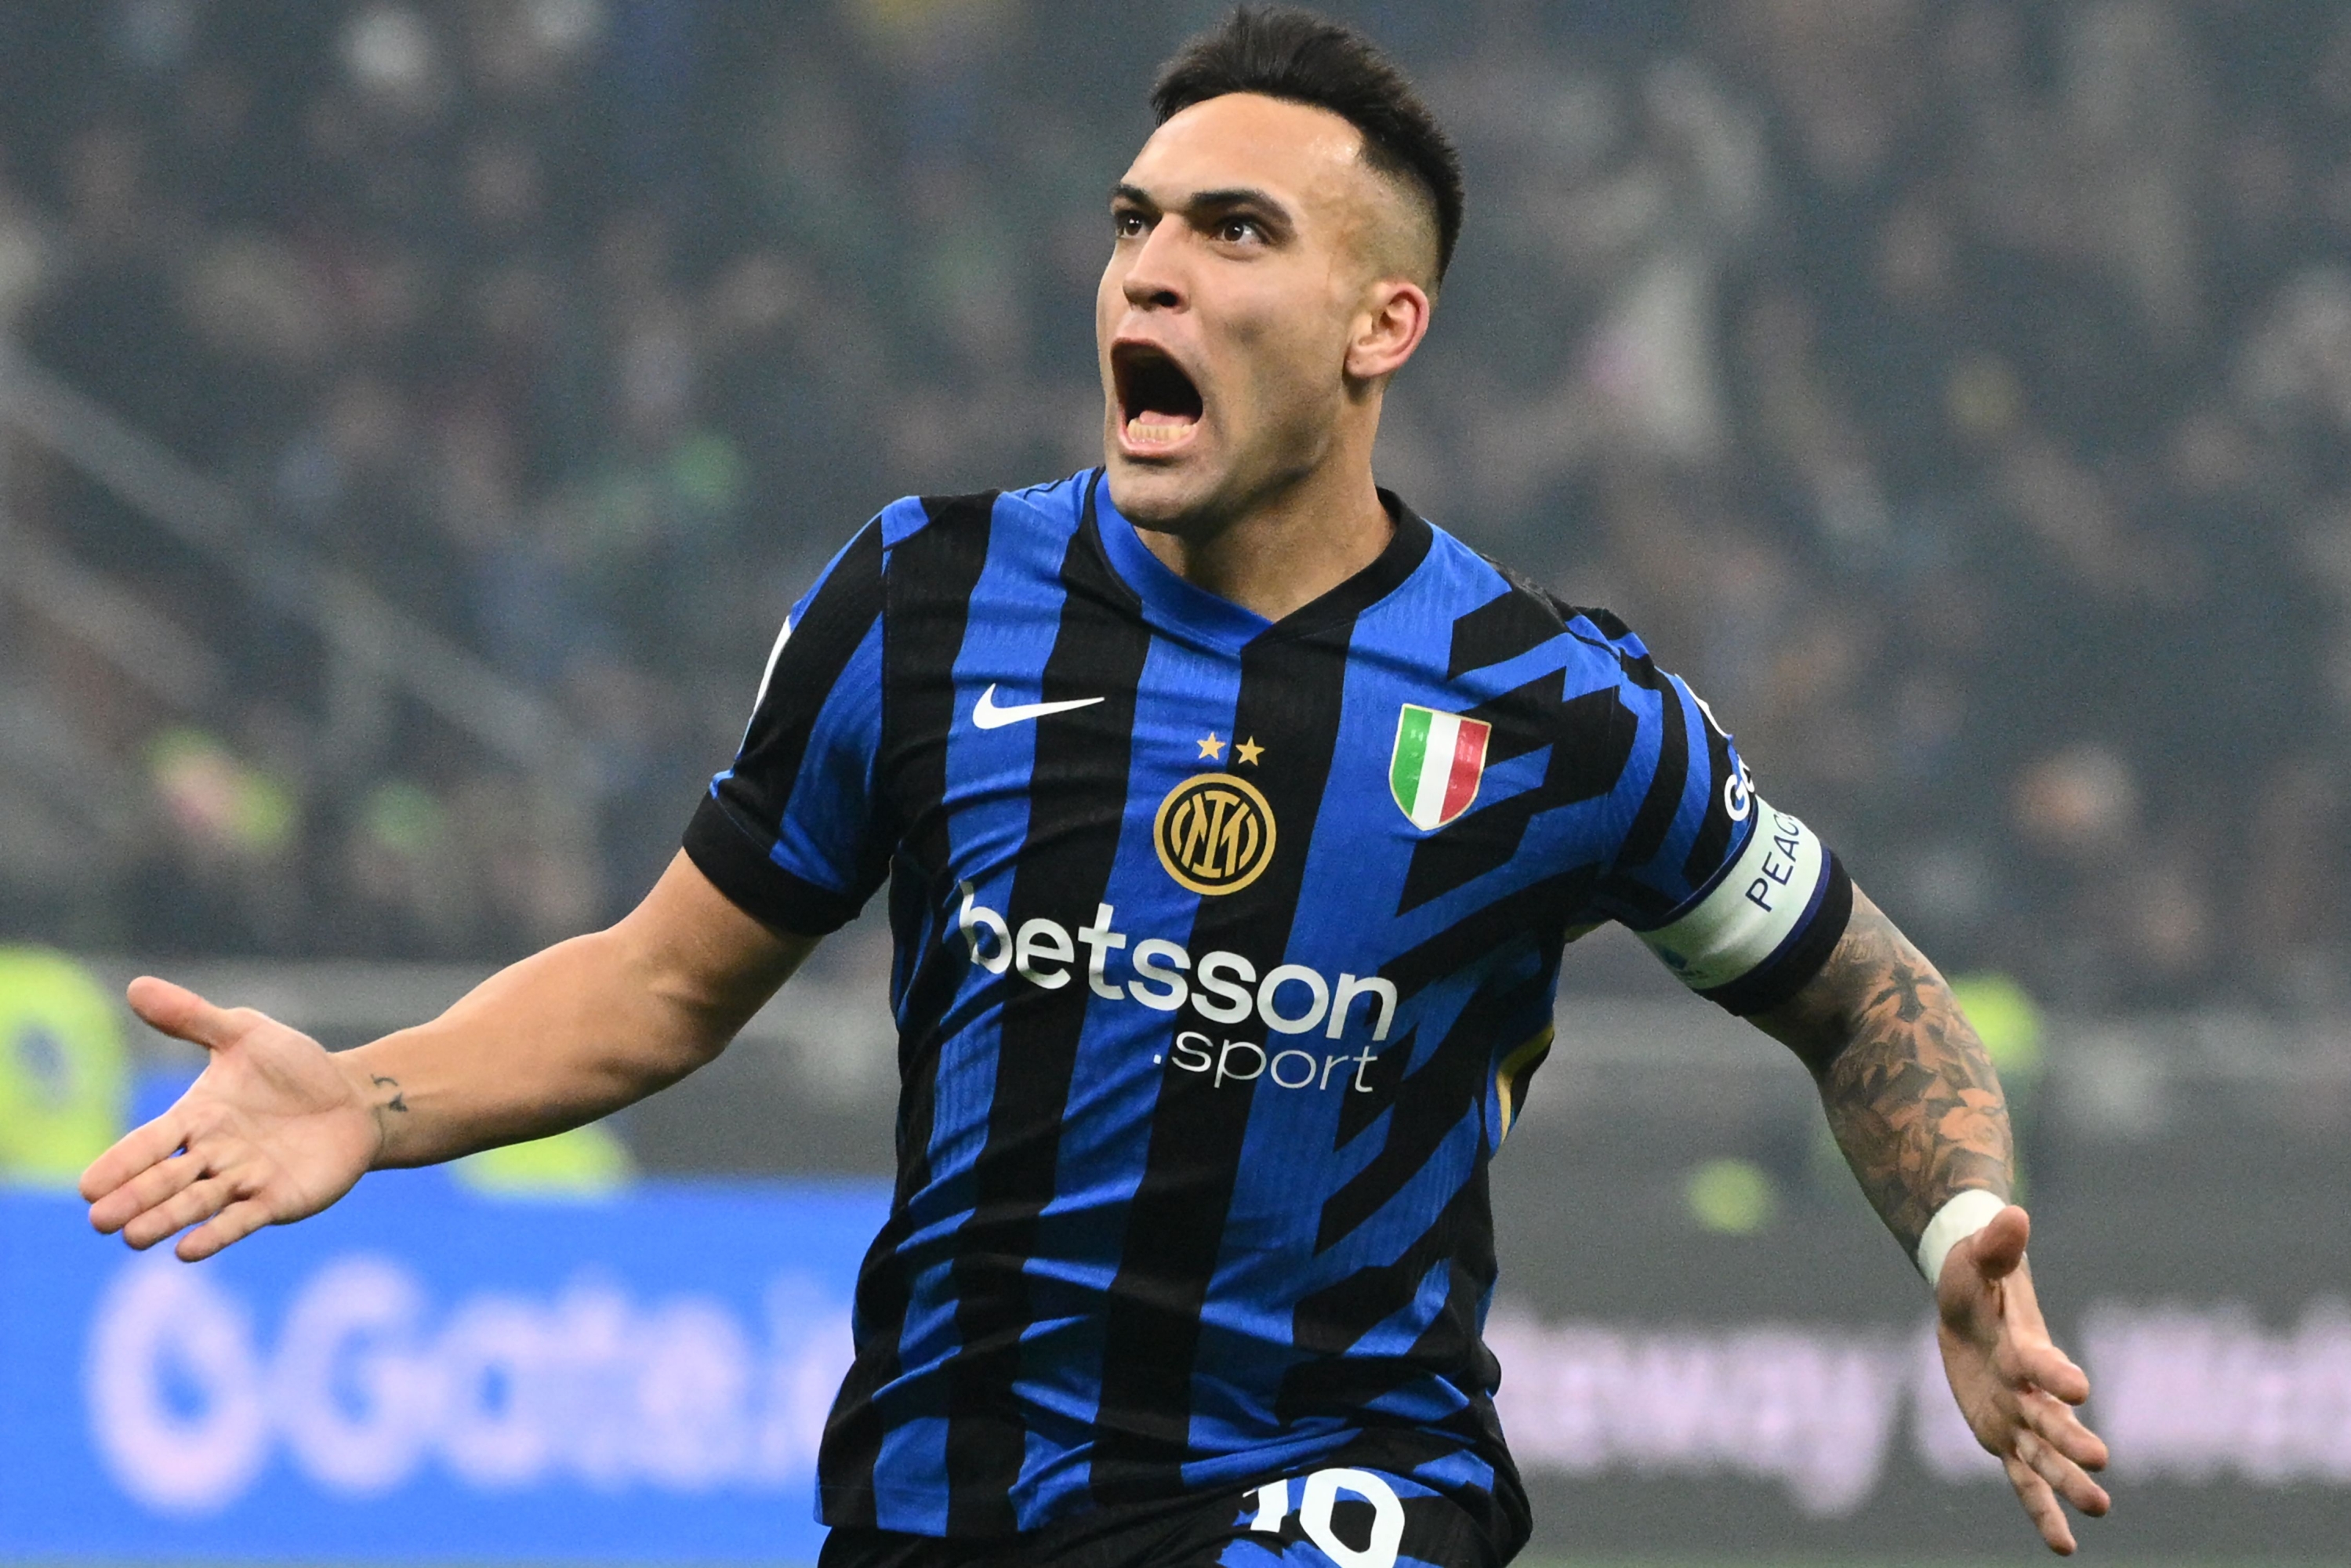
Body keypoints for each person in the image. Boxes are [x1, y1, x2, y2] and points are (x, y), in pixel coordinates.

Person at [78, 9, 2108, 1565]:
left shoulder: (1549, 710)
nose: (1150, 271)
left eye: (1235, 232)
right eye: (1134, 223)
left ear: (1380, 323)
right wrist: (365, 1092)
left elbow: (1856, 986)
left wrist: (1960, 1227)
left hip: (1338, 1493)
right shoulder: (928, 601)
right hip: (946, 1497)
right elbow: (661, 984)